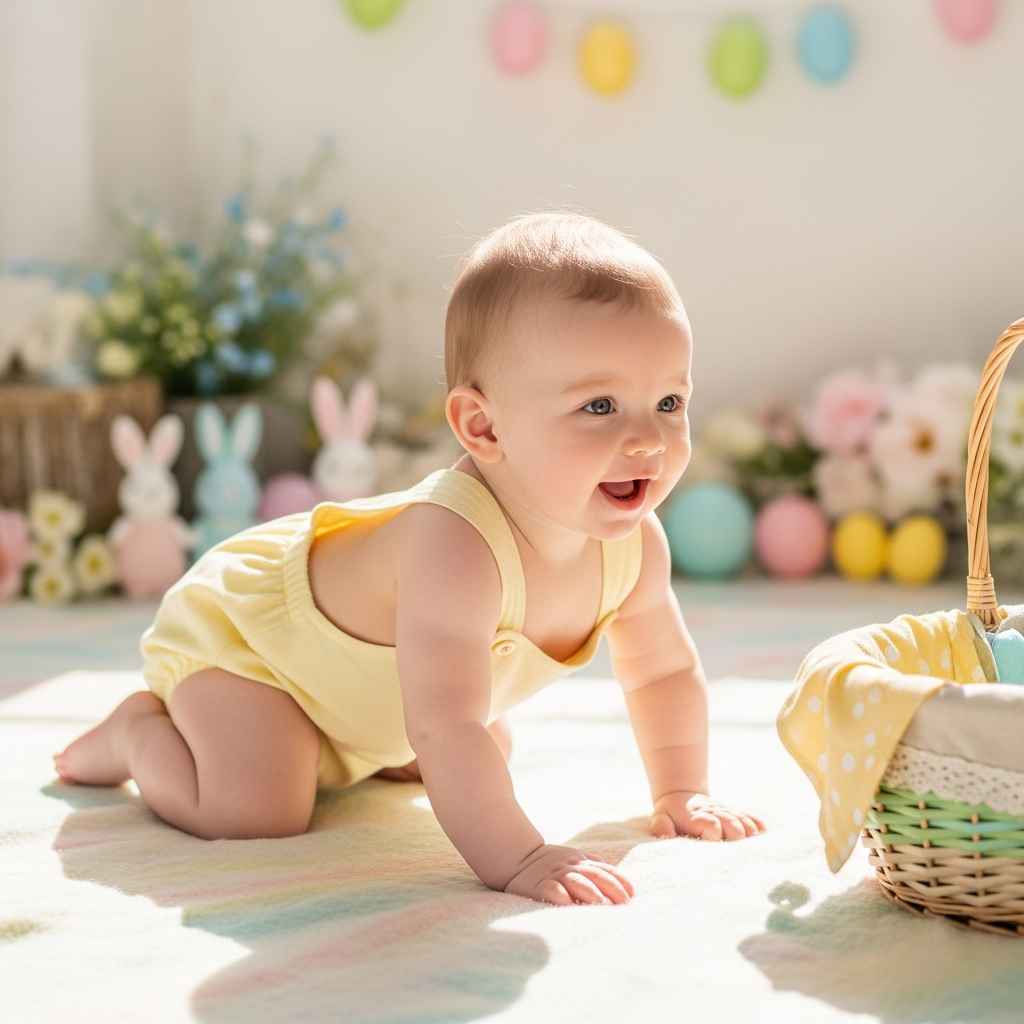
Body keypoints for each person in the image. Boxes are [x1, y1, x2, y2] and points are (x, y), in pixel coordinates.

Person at [55, 212, 764, 906]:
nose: (648, 439)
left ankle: (358, 749)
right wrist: (518, 855)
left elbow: (664, 670)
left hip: (371, 699)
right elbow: (445, 725)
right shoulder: (455, 546)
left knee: (482, 746)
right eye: (600, 406)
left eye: (669, 401)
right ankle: (137, 733)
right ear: (483, 426)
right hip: (258, 657)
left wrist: (682, 792)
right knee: (259, 810)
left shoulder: (635, 544)